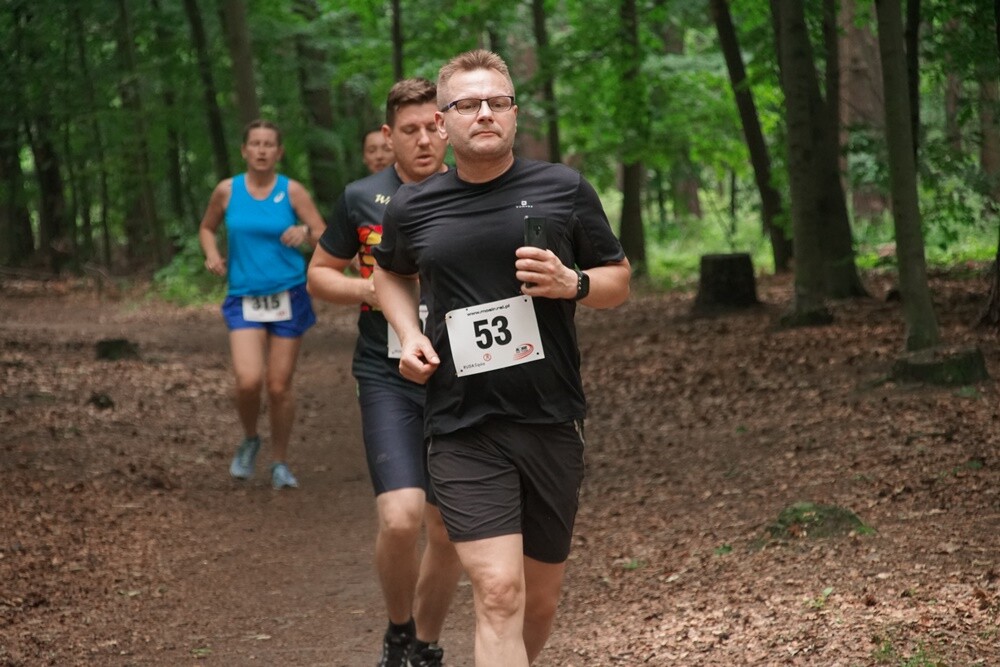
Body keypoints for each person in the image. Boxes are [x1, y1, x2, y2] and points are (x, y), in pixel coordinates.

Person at [373, 50, 632, 666]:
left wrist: (576, 284)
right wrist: (409, 334)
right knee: (497, 591)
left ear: (514, 114)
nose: (485, 113)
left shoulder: (562, 188)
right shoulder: (415, 206)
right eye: (468, 104)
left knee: (538, 604)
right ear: (442, 121)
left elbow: (619, 279)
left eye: (498, 102)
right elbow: (390, 276)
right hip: (463, 425)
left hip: (549, 418)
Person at [306, 79, 462, 667]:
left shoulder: (471, 190)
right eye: (409, 131)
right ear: (387, 138)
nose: (423, 140)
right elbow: (320, 273)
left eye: (432, 128)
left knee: (446, 532)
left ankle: (425, 645)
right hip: (386, 371)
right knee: (400, 520)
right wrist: (373, 288)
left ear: (446, 128)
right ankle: (398, 630)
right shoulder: (363, 197)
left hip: (460, 375)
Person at [199, 119, 326, 490]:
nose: (261, 150)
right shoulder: (227, 190)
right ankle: (251, 437)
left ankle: (280, 462)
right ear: (244, 150)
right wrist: (211, 253)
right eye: (255, 143)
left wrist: (305, 232)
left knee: (279, 385)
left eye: (269, 144)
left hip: (288, 294)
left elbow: (323, 233)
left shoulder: (292, 191)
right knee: (249, 380)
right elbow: (207, 227)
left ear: (279, 152)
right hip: (244, 296)